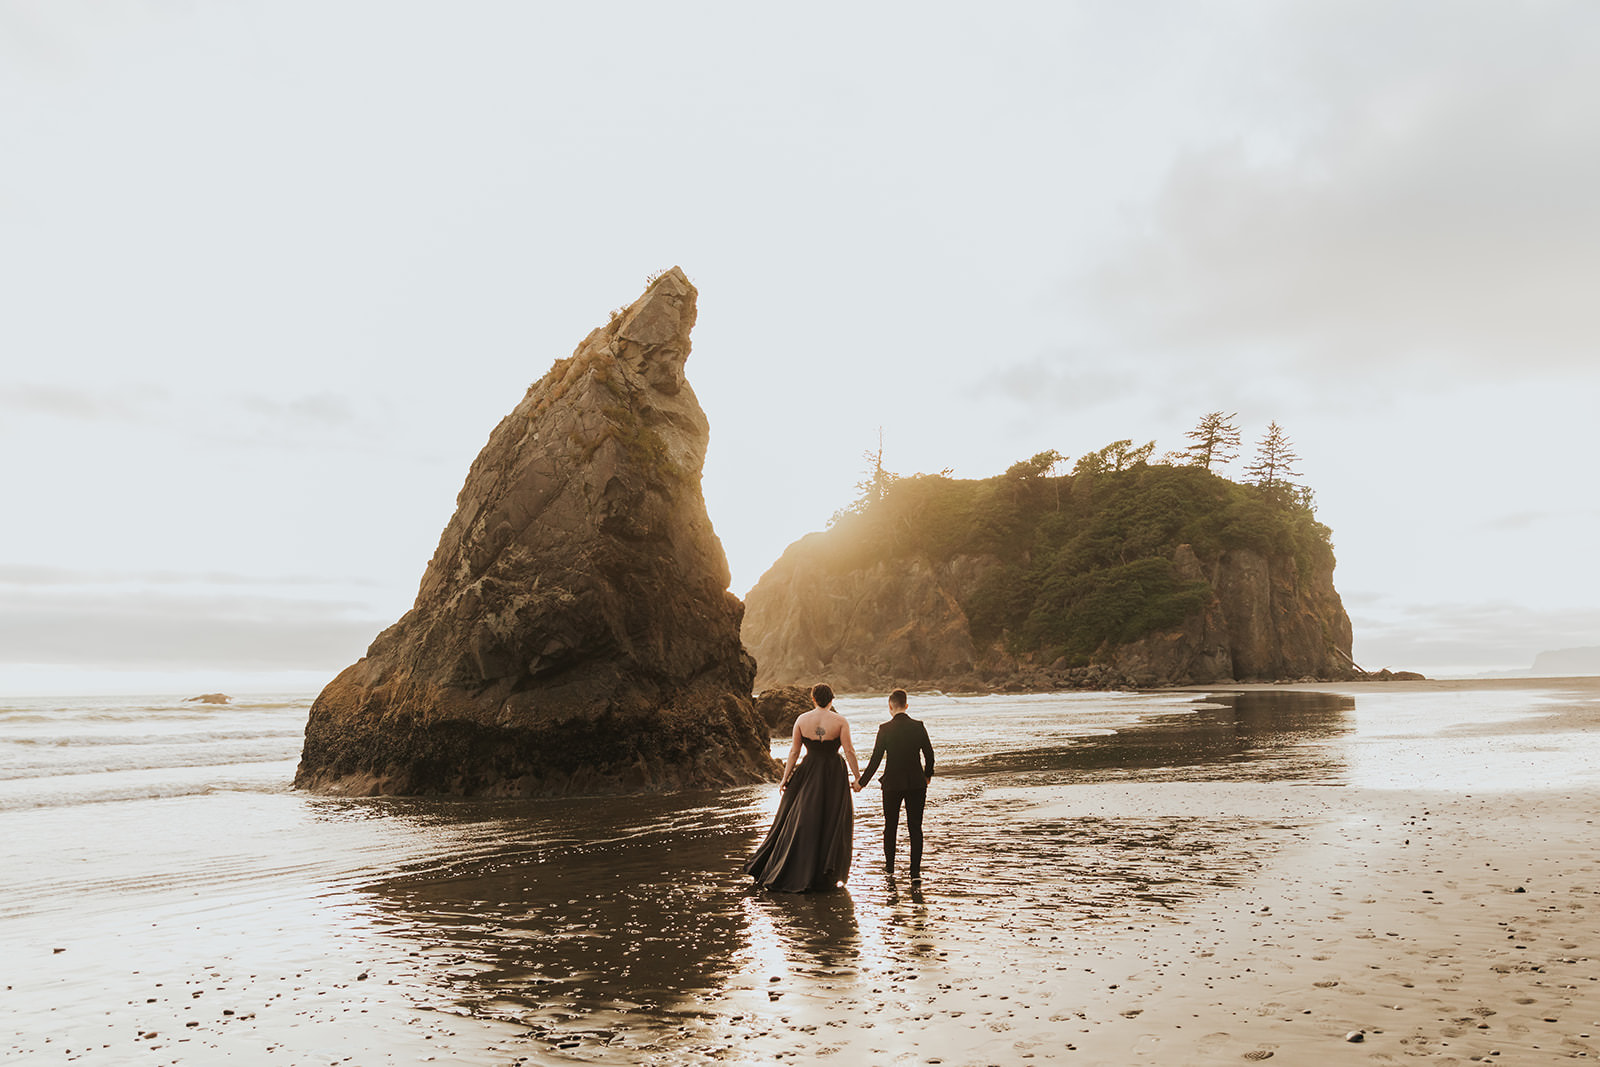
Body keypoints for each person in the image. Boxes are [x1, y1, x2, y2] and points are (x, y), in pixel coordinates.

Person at [744, 683, 861, 892]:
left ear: (813, 699)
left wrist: (785, 777)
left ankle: (798, 868)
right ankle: (825, 872)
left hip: (809, 770)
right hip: (834, 773)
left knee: (804, 818)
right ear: (832, 699)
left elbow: (794, 752)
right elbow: (849, 751)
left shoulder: (802, 720)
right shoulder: (840, 721)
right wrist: (858, 778)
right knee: (831, 820)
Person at [856, 688, 935, 882]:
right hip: (916, 783)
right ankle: (915, 873)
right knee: (915, 827)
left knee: (890, 826)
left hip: (892, 784)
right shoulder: (918, 726)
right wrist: (927, 775)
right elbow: (929, 754)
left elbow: (875, 760)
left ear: (890, 706)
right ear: (906, 706)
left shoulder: (885, 729)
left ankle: (889, 869)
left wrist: (861, 783)